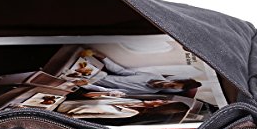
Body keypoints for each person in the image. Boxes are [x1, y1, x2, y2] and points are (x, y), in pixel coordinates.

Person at [74, 50, 202, 94]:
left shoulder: (149, 91)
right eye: (172, 84)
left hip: (90, 82)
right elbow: (121, 71)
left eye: (172, 88)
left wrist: (87, 85)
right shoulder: (152, 74)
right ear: (173, 80)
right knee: (75, 57)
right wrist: (102, 57)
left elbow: (111, 91)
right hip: (95, 73)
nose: (168, 86)